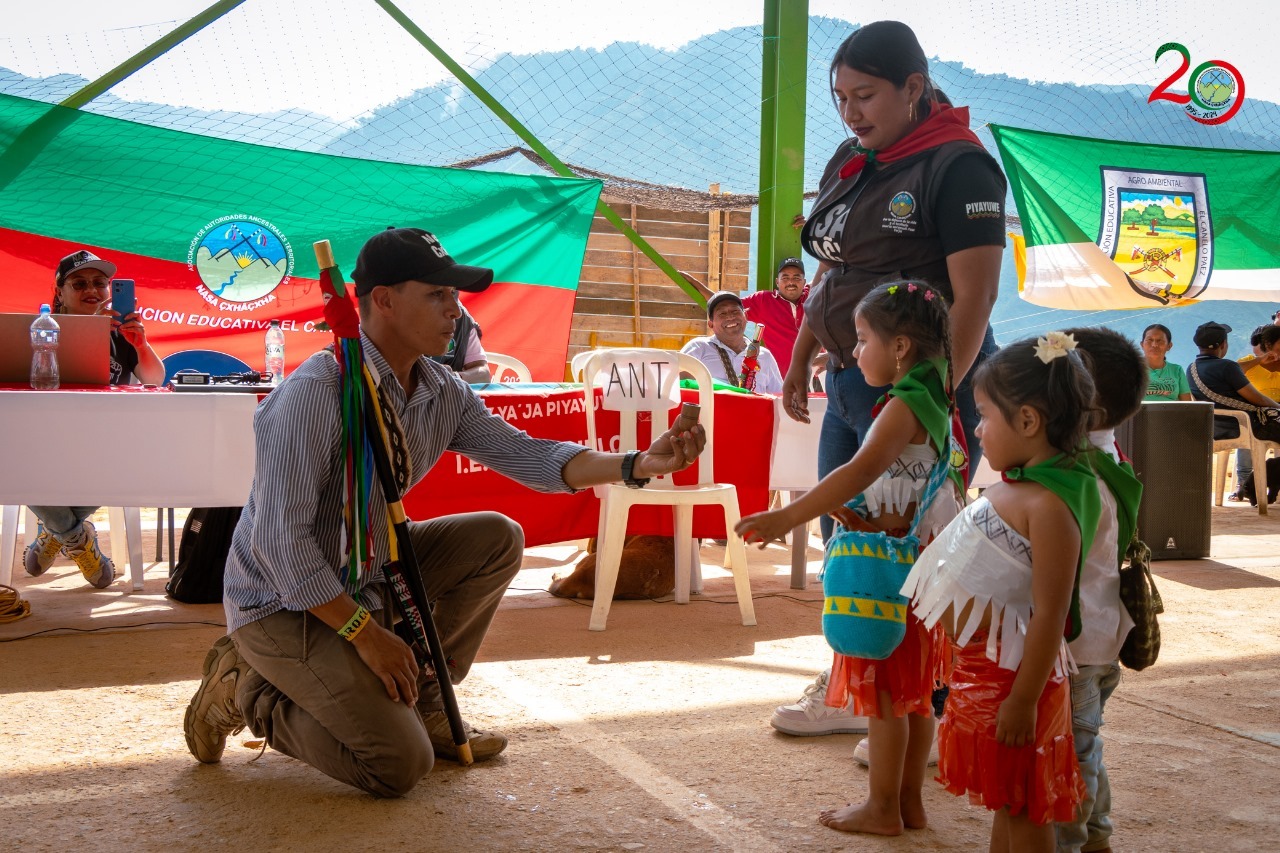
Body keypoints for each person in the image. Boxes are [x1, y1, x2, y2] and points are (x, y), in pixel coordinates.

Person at [181, 227, 706, 797]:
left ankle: (430, 701)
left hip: (367, 575)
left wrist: (636, 463)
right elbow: (280, 548)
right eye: (438, 295)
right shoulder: (317, 393)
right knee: (397, 765)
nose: (456, 312)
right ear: (382, 300)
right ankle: (245, 691)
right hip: (282, 603)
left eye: (455, 297)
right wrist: (364, 634)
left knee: (496, 537)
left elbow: (528, 455)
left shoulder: (438, 387)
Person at [772, 19, 1006, 740]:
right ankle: (855, 684)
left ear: (913, 87)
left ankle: (929, 708)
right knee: (850, 535)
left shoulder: (959, 165)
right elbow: (832, 262)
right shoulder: (854, 157)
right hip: (849, 375)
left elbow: (976, 295)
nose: (851, 112)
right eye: (840, 97)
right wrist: (804, 345)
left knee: (917, 545)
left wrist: (934, 398)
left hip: (915, 386)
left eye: (865, 95)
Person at [736, 281, 964, 836]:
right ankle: (908, 802)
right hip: (925, 554)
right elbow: (904, 484)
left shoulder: (904, 404)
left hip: (897, 566)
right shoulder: (936, 394)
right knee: (912, 689)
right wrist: (862, 510)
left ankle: (882, 806)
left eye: (862, 340)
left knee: (886, 688)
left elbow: (858, 470)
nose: (855, 352)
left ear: (902, 347)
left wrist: (785, 518)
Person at [902, 332, 1097, 852]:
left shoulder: (1050, 507)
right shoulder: (1017, 486)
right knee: (1005, 798)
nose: (979, 428)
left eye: (985, 415)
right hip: (982, 673)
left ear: (1028, 421)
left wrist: (1024, 699)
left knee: (1025, 806)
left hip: (1014, 683)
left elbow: (1051, 614)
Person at [22, 249, 165, 589]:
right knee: (15, 453)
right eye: (79, 283)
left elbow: (155, 380)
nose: (92, 290)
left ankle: (56, 533)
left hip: (102, 443)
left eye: (100, 283)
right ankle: (76, 538)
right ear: (59, 292)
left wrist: (141, 345)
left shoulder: (121, 333)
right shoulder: (38, 331)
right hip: (46, 439)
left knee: (128, 455)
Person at [1056, 327, 1146, 853]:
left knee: (1071, 751)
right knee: (1085, 744)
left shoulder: (1072, 478)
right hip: (1103, 636)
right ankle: (1096, 836)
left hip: (1075, 644)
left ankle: (1069, 841)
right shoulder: (1108, 456)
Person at [682, 257, 810, 376]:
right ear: (777, 281)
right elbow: (729, 307)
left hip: (817, 373)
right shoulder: (763, 300)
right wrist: (694, 282)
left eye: (797, 278)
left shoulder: (815, 298)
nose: (791, 282)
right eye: (785, 278)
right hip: (784, 377)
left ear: (804, 281)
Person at [1186, 321, 1280, 444]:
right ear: (1223, 344)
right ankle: (1273, 464)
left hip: (1216, 428)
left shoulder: (1191, 368)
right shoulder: (1227, 366)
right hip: (1247, 427)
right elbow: (1259, 400)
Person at [680, 291, 784, 393]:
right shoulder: (698, 348)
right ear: (711, 325)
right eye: (722, 313)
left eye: (735, 311)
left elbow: (778, 397)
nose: (730, 317)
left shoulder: (764, 356)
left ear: (746, 317)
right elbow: (679, 386)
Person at [1230, 324, 1280, 501]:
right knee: (1248, 429)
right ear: (1267, 344)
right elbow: (1231, 370)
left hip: (1278, 414)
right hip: (1255, 412)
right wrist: (1261, 360)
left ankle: (1268, 482)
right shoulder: (1250, 361)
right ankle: (1244, 481)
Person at [431, 302, 491, 383]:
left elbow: (484, 374)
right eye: (438, 293)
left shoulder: (464, 321)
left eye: (453, 292)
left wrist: (455, 377)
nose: (457, 312)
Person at [1140, 323, 1191, 401]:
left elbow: (1187, 405)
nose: (1154, 345)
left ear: (1169, 346)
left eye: (1160, 341)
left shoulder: (1177, 370)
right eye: (1149, 340)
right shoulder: (1129, 370)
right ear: (1142, 345)